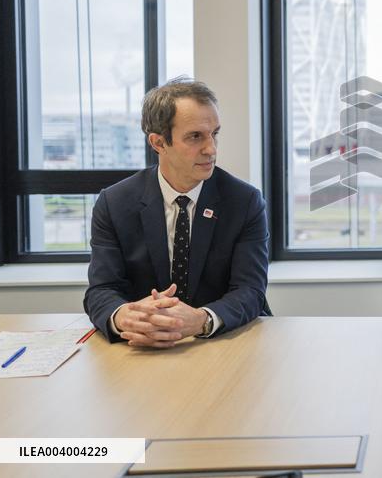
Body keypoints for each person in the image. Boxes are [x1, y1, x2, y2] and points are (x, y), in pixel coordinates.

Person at [84, 78, 270, 348]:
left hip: (221, 344)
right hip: (142, 348)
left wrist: (201, 319)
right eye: (196, 137)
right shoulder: (114, 203)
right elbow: (101, 289)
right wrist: (125, 318)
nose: (211, 149)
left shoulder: (244, 201)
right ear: (158, 143)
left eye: (214, 134)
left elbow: (250, 291)